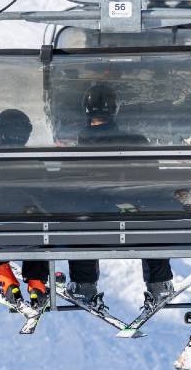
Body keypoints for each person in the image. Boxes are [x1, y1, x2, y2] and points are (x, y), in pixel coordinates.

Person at [75, 83, 176, 314]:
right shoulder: (135, 141)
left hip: (94, 217)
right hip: (131, 212)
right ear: (115, 109)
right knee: (151, 221)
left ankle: (84, 285)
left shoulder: (77, 146)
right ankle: (159, 284)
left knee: (78, 222)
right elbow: (154, 175)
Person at [0, 109, 50, 309]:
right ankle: (37, 284)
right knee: (41, 228)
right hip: (35, 239)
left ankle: (6, 278)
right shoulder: (37, 165)